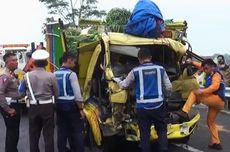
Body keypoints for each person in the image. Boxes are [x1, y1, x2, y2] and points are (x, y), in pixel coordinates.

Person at [113, 48, 172, 152]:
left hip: (142, 108)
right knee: (162, 131)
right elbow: (168, 87)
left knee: (144, 134)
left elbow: (124, 85)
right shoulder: (160, 69)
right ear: (150, 58)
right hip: (158, 106)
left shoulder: (135, 71)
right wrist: (165, 98)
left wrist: (117, 80)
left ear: (139, 59)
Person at [176, 58, 225, 150]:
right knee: (210, 122)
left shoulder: (216, 74)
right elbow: (201, 66)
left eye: (206, 69)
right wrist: (191, 62)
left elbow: (215, 87)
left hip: (217, 99)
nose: (204, 71)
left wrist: (202, 91)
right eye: (204, 69)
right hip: (218, 103)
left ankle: (184, 111)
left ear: (212, 67)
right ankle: (216, 142)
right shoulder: (209, 70)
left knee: (194, 93)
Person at [18, 49, 59, 152]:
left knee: (33, 134)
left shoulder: (26, 76)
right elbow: (56, 93)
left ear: (34, 63)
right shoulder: (51, 76)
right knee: (48, 134)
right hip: (48, 106)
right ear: (46, 63)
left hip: (33, 107)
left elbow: (21, 92)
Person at [54, 52, 85, 152]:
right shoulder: (71, 74)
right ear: (69, 60)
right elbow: (77, 94)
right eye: (74, 61)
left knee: (62, 131)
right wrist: (81, 108)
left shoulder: (54, 74)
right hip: (71, 106)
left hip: (58, 105)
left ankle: (62, 149)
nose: (75, 64)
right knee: (76, 130)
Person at [0, 52, 21, 152]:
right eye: (13, 60)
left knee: (14, 131)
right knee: (12, 131)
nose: (16, 62)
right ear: (7, 62)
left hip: (15, 103)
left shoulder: (12, 74)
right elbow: (0, 93)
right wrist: (8, 109)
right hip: (10, 105)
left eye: (16, 60)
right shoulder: (5, 75)